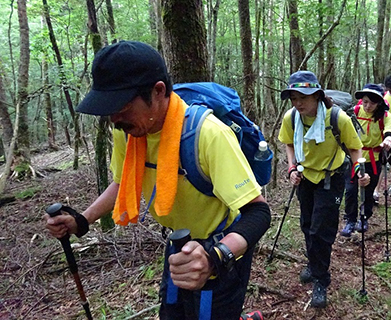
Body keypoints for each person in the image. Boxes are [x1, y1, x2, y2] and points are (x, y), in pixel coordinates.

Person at [44, 41, 271, 320]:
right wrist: (82, 220)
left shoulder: (208, 134)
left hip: (222, 247)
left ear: (158, 91)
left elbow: (258, 212)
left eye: (123, 106)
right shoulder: (127, 131)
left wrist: (215, 257)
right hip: (178, 246)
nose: (114, 118)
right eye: (108, 108)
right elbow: (123, 181)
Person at [278, 71, 369, 308]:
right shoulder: (291, 118)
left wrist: (361, 171)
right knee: (307, 225)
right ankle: (313, 263)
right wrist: (291, 168)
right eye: (294, 98)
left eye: (303, 98)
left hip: (332, 177)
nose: (298, 103)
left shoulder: (337, 118)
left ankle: (321, 279)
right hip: (305, 177)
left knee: (322, 230)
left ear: (317, 96)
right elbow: (289, 143)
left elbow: (355, 148)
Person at [340, 84, 391, 237]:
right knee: (350, 190)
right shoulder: (354, 112)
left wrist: (388, 139)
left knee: (368, 190)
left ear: (379, 103)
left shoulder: (385, 116)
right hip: (353, 158)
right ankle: (350, 219)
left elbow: (389, 131)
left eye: (372, 102)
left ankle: (364, 217)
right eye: (365, 102)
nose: (367, 106)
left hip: (373, 158)